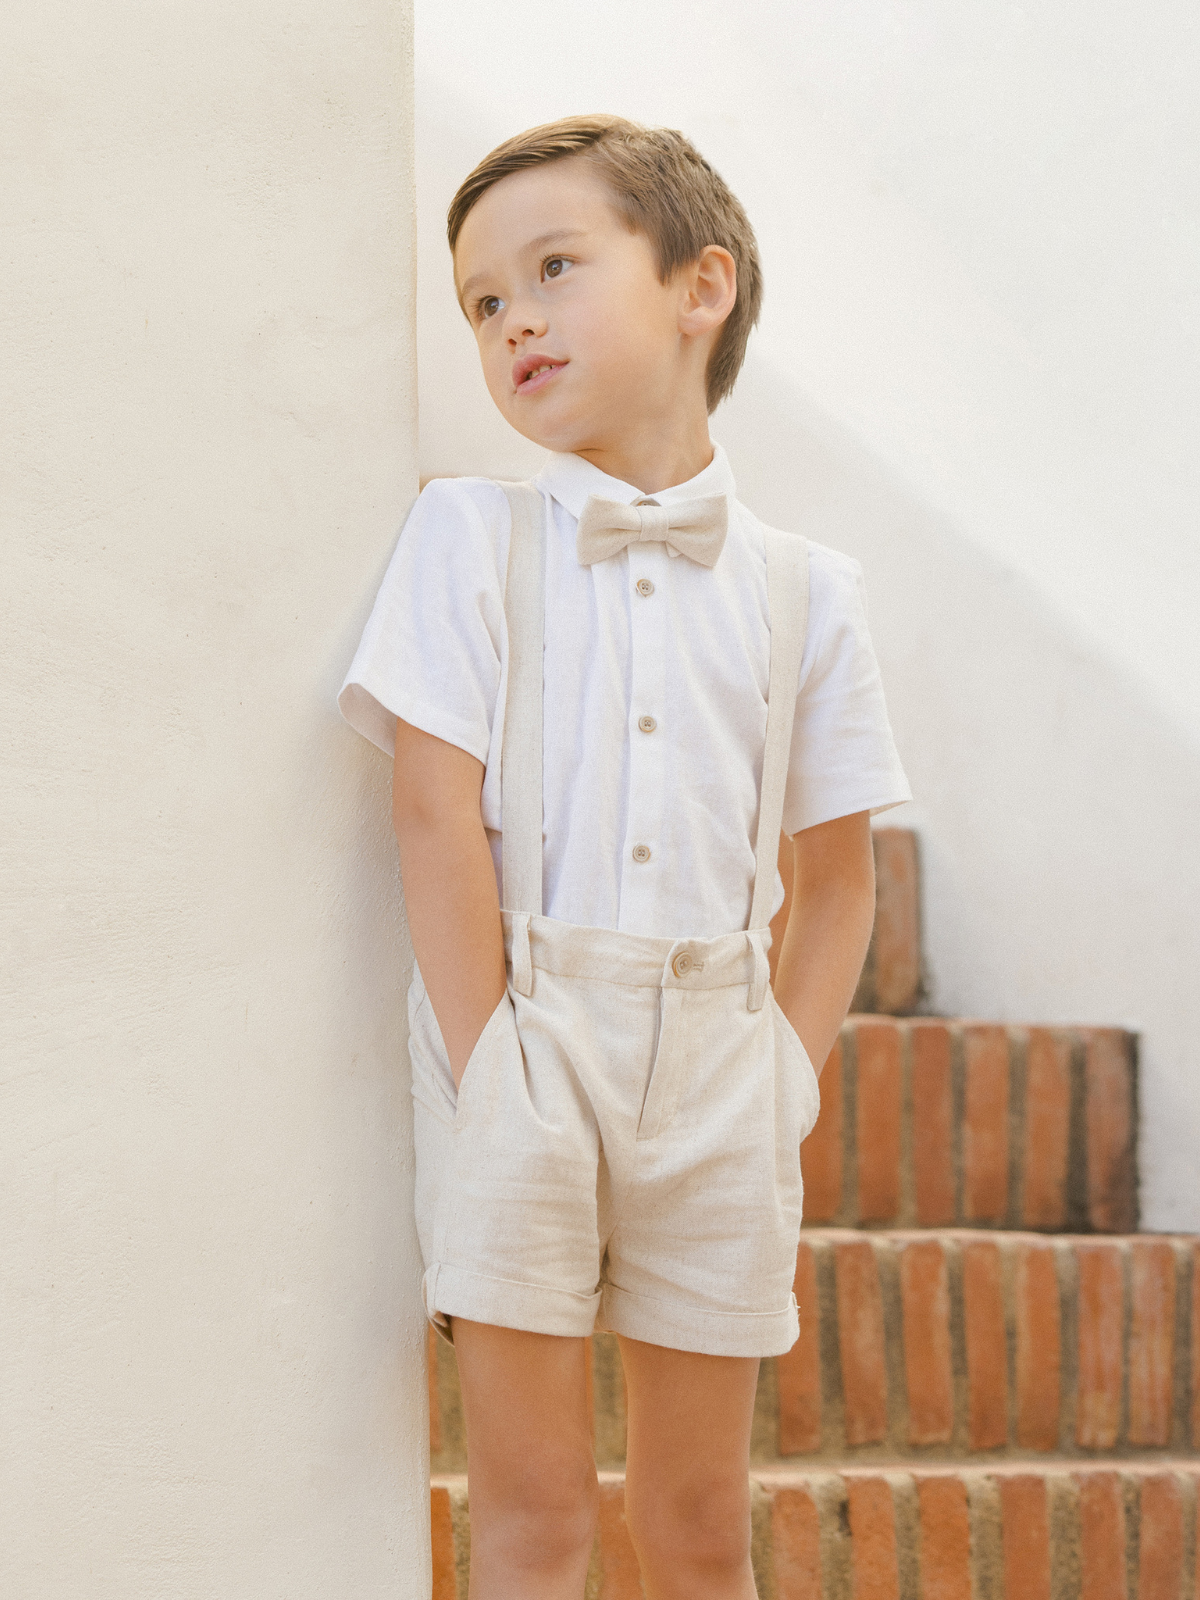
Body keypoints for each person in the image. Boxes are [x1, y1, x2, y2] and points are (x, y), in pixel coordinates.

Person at [339, 115, 910, 1600]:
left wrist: (784, 1068)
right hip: (524, 1033)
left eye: (554, 268)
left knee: (699, 1521)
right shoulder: (468, 537)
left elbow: (838, 874)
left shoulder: (809, 591)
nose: (513, 315)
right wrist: (493, 1063)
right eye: (480, 301)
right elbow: (430, 810)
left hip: (724, 1057)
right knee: (532, 1517)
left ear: (697, 289)